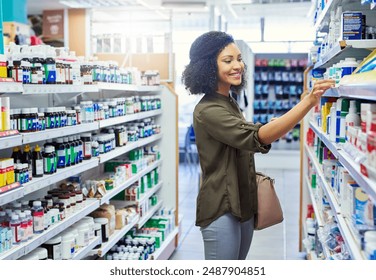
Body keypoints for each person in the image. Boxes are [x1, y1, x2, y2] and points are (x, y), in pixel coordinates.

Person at [181, 31, 334, 260]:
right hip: (221, 206)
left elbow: (244, 136)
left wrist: (272, 126)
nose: (238, 66)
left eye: (239, 58)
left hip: (243, 202)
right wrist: (309, 102)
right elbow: (257, 137)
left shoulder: (228, 101)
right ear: (208, 67)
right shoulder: (208, 110)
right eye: (228, 60)